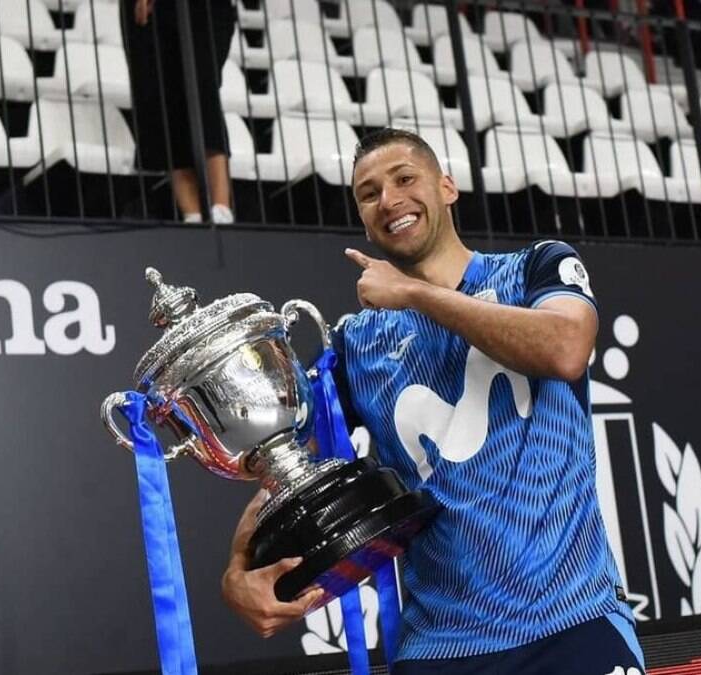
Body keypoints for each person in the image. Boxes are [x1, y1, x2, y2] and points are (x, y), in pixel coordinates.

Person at [221, 128, 644, 674]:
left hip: (573, 622)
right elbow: (286, 463)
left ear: (447, 186)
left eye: (404, 178)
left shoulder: (535, 268)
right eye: (368, 193)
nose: (389, 200)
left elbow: (566, 349)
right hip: (444, 648)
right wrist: (237, 570)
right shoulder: (357, 343)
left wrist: (417, 294)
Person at [123, 0, 236, 224]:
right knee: (164, 100)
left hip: (202, 9)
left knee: (203, 93)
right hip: (150, 12)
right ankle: (192, 213)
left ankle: (221, 208)